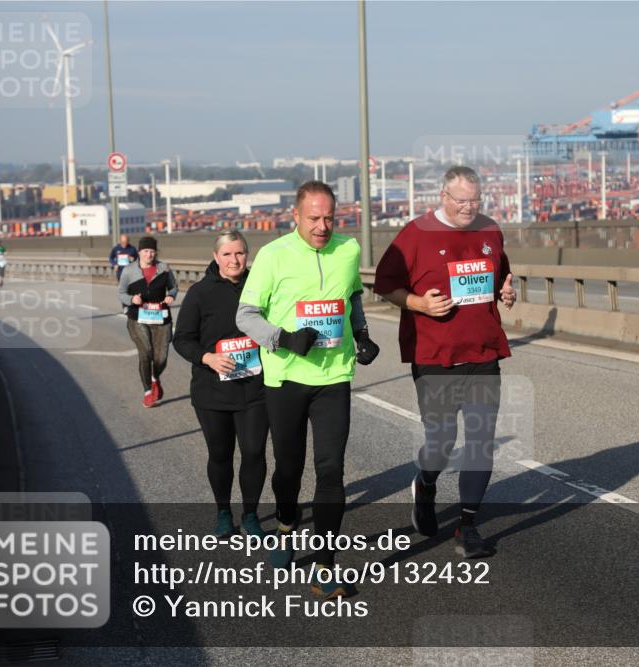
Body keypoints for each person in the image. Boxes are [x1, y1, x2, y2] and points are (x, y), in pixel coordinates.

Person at [237, 181, 379, 599]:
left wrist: (362, 333)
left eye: (329, 218)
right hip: (285, 378)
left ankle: (324, 565)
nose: (322, 226)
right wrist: (282, 338)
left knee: (331, 470)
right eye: (313, 218)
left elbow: (352, 296)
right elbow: (246, 315)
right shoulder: (273, 255)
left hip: (334, 375)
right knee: (288, 470)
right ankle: (284, 525)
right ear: (295, 216)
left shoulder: (348, 250)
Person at [374, 165, 516, 559]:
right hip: (434, 354)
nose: (469, 207)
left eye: (475, 200)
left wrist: (507, 290)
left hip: (484, 352)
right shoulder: (416, 234)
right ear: (443, 197)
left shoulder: (489, 230)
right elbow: (384, 284)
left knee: (481, 442)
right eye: (461, 201)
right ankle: (427, 480)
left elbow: (501, 274)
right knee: (442, 440)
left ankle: (467, 526)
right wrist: (418, 303)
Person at [174, 231, 269, 538]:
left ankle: (251, 515)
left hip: (255, 388)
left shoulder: (260, 287)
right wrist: (207, 358)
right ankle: (223, 512)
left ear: (247, 255)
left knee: (254, 452)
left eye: (239, 253)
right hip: (212, 390)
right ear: (216, 258)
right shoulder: (200, 293)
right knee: (220, 454)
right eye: (227, 254)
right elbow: (182, 339)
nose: (234, 260)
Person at [118, 236, 178, 408]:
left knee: (161, 358)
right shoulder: (129, 271)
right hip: (138, 317)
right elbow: (121, 293)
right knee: (146, 353)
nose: (149, 254)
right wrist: (131, 299)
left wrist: (170, 296)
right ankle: (147, 392)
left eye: (152, 251)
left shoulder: (164, 268)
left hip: (161, 318)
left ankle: (155, 377)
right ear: (139, 252)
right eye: (146, 251)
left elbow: (173, 287)